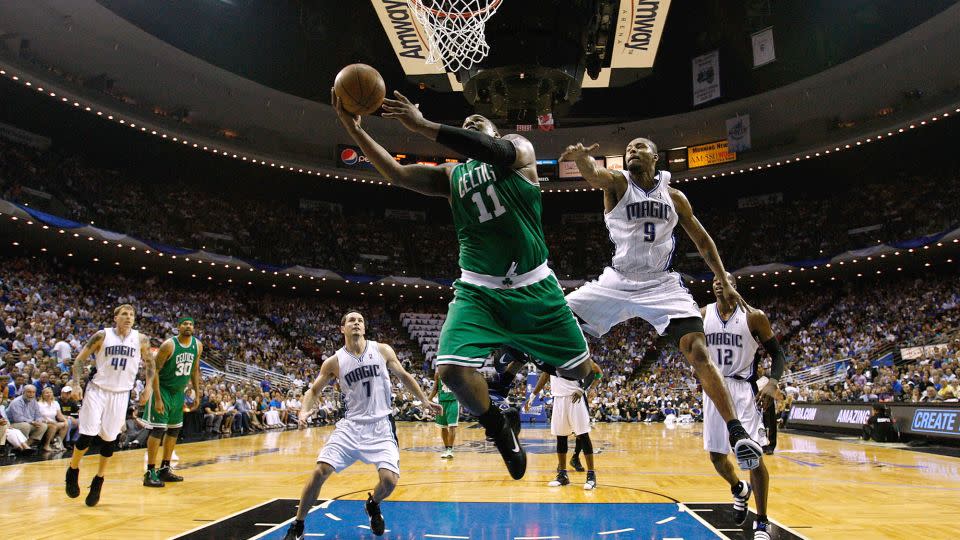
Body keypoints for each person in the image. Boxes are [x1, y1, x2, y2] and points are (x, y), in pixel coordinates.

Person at [333, 90, 594, 481]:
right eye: (466, 122)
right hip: (478, 289)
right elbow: (398, 173)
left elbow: (486, 146)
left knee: (583, 372)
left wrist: (422, 125)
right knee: (451, 370)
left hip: (534, 286)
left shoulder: (518, 150)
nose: (471, 122)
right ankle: (498, 426)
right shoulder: (452, 175)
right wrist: (354, 129)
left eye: (478, 122)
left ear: (493, 132)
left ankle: (534, 353)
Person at [558, 140, 762, 470]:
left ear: (655, 157)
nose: (632, 151)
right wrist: (583, 161)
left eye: (640, 147)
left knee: (698, 349)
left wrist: (722, 277)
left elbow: (703, 241)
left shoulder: (674, 197)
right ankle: (517, 376)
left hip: (661, 282)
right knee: (557, 312)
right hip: (619, 280)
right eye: (628, 149)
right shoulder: (618, 182)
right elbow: (595, 176)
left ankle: (737, 433)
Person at [282, 311, 441, 539]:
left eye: (360, 321)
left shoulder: (382, 350)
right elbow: (314, 390)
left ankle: (373, 504)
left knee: (389, 481)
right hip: (351, 426)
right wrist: (305, 410)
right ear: (342, 329)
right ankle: (298, 524)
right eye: (351, 321)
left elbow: (404, 376)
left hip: (381, 425)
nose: (356, 323)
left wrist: (425, 400)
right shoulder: (334, 361)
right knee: (319, 471)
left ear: (364, 328)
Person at [700, 273, 786, 540]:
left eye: (724, 280)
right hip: (713, 389)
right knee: (717, 457)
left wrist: (772, 382)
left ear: (734, 288)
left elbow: (778, 354)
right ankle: (738, 489)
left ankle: (761, 521)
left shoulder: (753, 317)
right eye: (714, 279)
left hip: (742, 390)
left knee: (753, 456)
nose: (717, 282)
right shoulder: (702, 314)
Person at [65, 304, 154, 507]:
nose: (129, 317)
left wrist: (148, 387)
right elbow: (79, 361)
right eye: (124, 314)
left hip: (121, 393)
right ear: (115, 317)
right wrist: (76, 384)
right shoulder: (102, 336)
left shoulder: (141, 339)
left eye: (132, 314)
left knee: (109, 440)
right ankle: (73, 468)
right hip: (97, 390)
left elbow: (150, 363)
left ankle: (99, 479)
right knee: (87, 434)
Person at [142, 317, 202, 487]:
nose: (188, 326)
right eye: (185, 324)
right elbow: (155, 371)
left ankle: (165, 469)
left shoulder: (197, 345)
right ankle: (150, 471)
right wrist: (158, 398)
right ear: (178, 327)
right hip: (163, 390)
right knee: (158, 430)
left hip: (178, 393)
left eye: (191, 323)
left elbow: (195, 370)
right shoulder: (169, 345)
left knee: (174, 431)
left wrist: (197, 394)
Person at [525, 360, 602, 490]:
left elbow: (597, 372)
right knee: (561, 437)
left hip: (575, 398)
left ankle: (591, 475)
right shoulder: (551, 356)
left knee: (583, 435)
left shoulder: (575, 353)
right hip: (558, 399)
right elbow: (545, 376)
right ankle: (562, 475)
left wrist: (584, 389)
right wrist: (532, 397)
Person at [428, 369, 460, 459]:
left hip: (453, 401)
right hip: (442, 402)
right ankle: (446, 449)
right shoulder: (438, 373)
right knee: (443, 427)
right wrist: (427, 401)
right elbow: (435, 389)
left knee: (452, 426)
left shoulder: (457, 371)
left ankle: (450, 450)